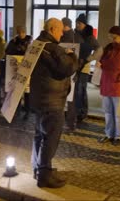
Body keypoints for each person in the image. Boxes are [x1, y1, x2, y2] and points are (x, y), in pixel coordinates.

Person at [31, 18, 78, 188]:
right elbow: (66, 69)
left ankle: (40, 168)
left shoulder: (36, 44)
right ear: (52, 29)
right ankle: (44, 174)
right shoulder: (52, 48)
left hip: (39, 98)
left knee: (40, 135)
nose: (62, 33)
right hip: (52, 100)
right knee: (50, 137)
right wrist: (73, 56)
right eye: (60, 31)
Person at [75, 13, 102, 122]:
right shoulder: (75, 35)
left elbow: (99, 49)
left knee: (81, 90)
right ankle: (77, 111)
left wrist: (88, 59)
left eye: (79, 23)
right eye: (77, 23)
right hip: (75, 66)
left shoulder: (89, 37)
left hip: (84, 67)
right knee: (76, 90)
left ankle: (83, 112)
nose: (77, 25)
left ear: (85, 25)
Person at [60, 17, 84, 134]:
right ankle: (70, 124)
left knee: (69, 99)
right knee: (70, 99)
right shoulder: (76, 37)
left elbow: (81, 56)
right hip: (72, 71)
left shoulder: (73, 38)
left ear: (65, 26)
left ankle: (69, 124)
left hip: (68, 71)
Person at [5, 26, 32, 118]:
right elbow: (7, 52)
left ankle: (27, 111)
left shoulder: (30, 42)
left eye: (23, 32)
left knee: (27, 91)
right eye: (19, 32)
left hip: (26, 69)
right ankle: (17, 110)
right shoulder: (13, 42)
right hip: (16, 68)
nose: (21, 34)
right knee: (17, 90)